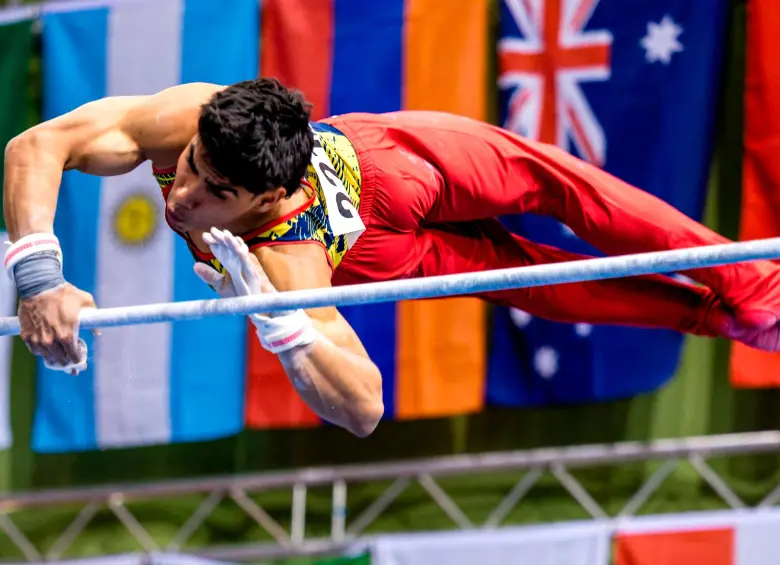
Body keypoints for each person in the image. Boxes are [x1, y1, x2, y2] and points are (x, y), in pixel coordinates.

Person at [4, 78, 780, 437]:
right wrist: (39, 276)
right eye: (193, 165)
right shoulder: (192, 119)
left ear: (269, 199)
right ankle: (728, 318)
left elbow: (367, 408)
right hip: (382, 247)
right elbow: (38, 145)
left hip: (398, 160)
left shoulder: (289, 258)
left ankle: (755, 284)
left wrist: (286, 325)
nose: (182, 196)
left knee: (564, 185)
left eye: (215, 191)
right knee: (533, 284)